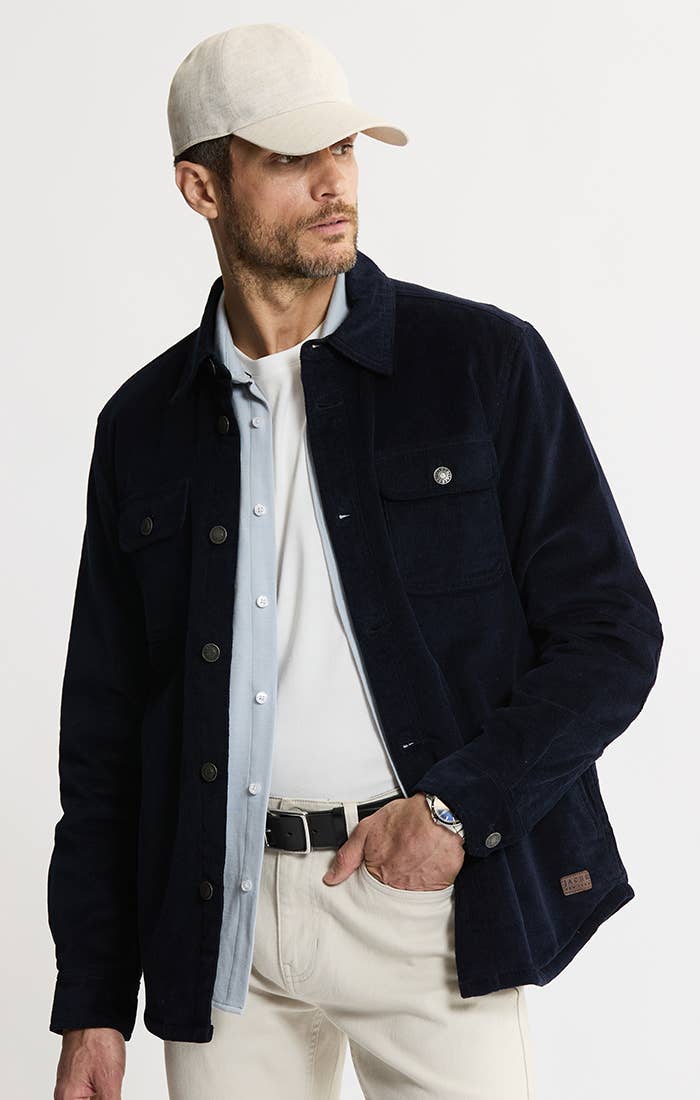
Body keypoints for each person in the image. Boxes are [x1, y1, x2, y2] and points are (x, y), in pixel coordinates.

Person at [48, 22, 664, 1100]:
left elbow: (611, 632)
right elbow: (104, 737)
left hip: (422, 902)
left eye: (343, 148)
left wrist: (455, 813)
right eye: (293, 157)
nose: (334, 183)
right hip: (221, 920)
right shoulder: (142, 426)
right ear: (202, 187)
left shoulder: (478, 362)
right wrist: (93, 1000)